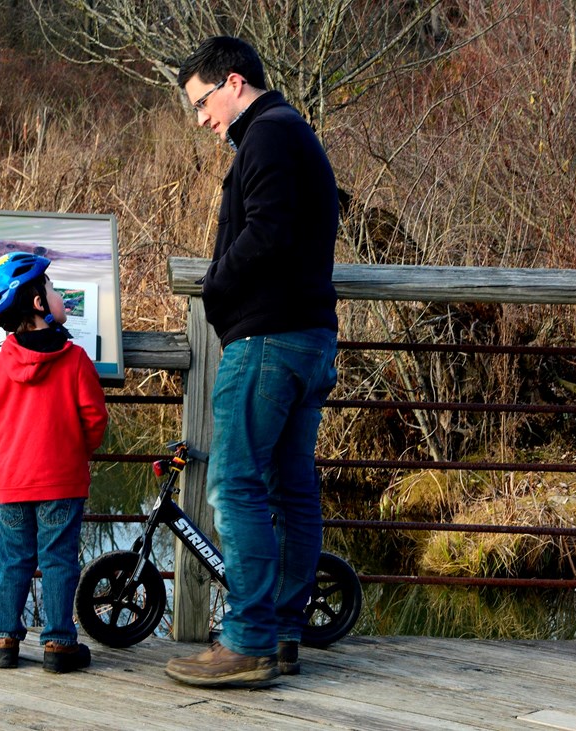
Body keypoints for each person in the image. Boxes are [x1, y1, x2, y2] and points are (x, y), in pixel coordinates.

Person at [164, 36, 343, 687]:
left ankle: (247, 640)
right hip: (310, 337)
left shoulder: (266, 136)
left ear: (233, 83)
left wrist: (215, 285)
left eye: (203, 102)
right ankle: (284, 630)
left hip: (268, 340)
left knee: (233, 482)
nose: (204, 119)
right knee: (289, 487)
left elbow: (265, 232)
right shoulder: (294, 133)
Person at [0, 251, 109, 673]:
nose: (56, 293)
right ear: (37, 304)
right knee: (59, 560)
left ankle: (4, 638)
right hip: (63, 483)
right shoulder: (76, 361)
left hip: (13, 484)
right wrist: (72, 453)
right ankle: (59, 643)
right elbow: (95, 422)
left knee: (13, 558)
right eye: (50, 288)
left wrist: (12, 461)